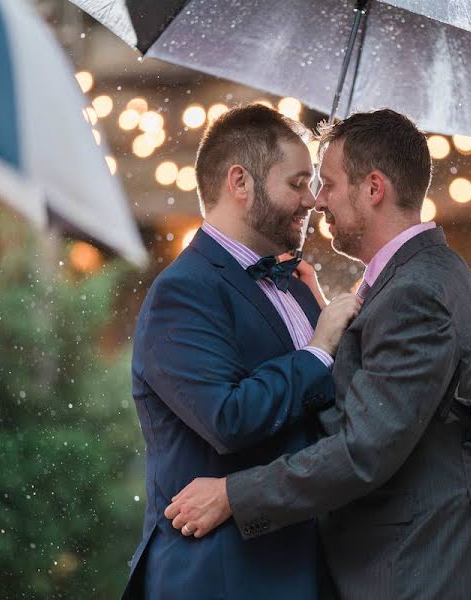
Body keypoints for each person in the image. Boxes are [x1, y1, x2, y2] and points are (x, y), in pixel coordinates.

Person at [166, 109, 471, 598]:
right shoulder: (419, 279)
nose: (317, 201)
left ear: (373, 189)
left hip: (413, 571)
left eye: (326, 183)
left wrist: (232, 495)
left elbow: (363, 449)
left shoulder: (417, 292)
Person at [122, 104, 360, 599]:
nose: (312, 200)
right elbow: (229, 418)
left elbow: (329, 416)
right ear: (240, 182)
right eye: (297, 183)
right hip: (225, 576)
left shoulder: (295, 284)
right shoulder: (182, 292)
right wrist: (318, 350)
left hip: (309, 566)